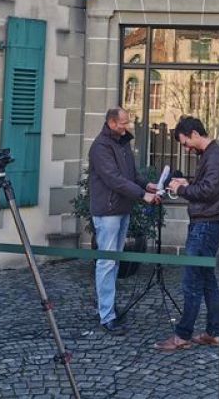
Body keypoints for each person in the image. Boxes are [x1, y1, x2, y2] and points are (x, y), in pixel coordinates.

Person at [155, 115, 219, 352]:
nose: (186, 148)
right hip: (206, 224)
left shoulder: (214, 156)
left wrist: (182, 188)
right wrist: (187, 182)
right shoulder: (211, 155)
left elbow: (208, 191)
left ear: (195, 134)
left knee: (192, 282)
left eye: (186, 142)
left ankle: (182, 335)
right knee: (207, 281)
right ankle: (214, 333)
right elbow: (207, 186)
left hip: (204, 226)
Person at [87, 107, 159, 336]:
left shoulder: (122, 142)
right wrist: (142, 195)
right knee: (107, 263)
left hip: (122, 209)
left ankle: (108, 307)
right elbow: (114, 179)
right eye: (123, 123)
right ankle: (106, 315)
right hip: (108, 212)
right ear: (111, 122)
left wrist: (147, 185)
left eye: (128, 122)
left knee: (114, 262)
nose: (127, 126)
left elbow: (131, 174)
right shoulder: (100, 147)